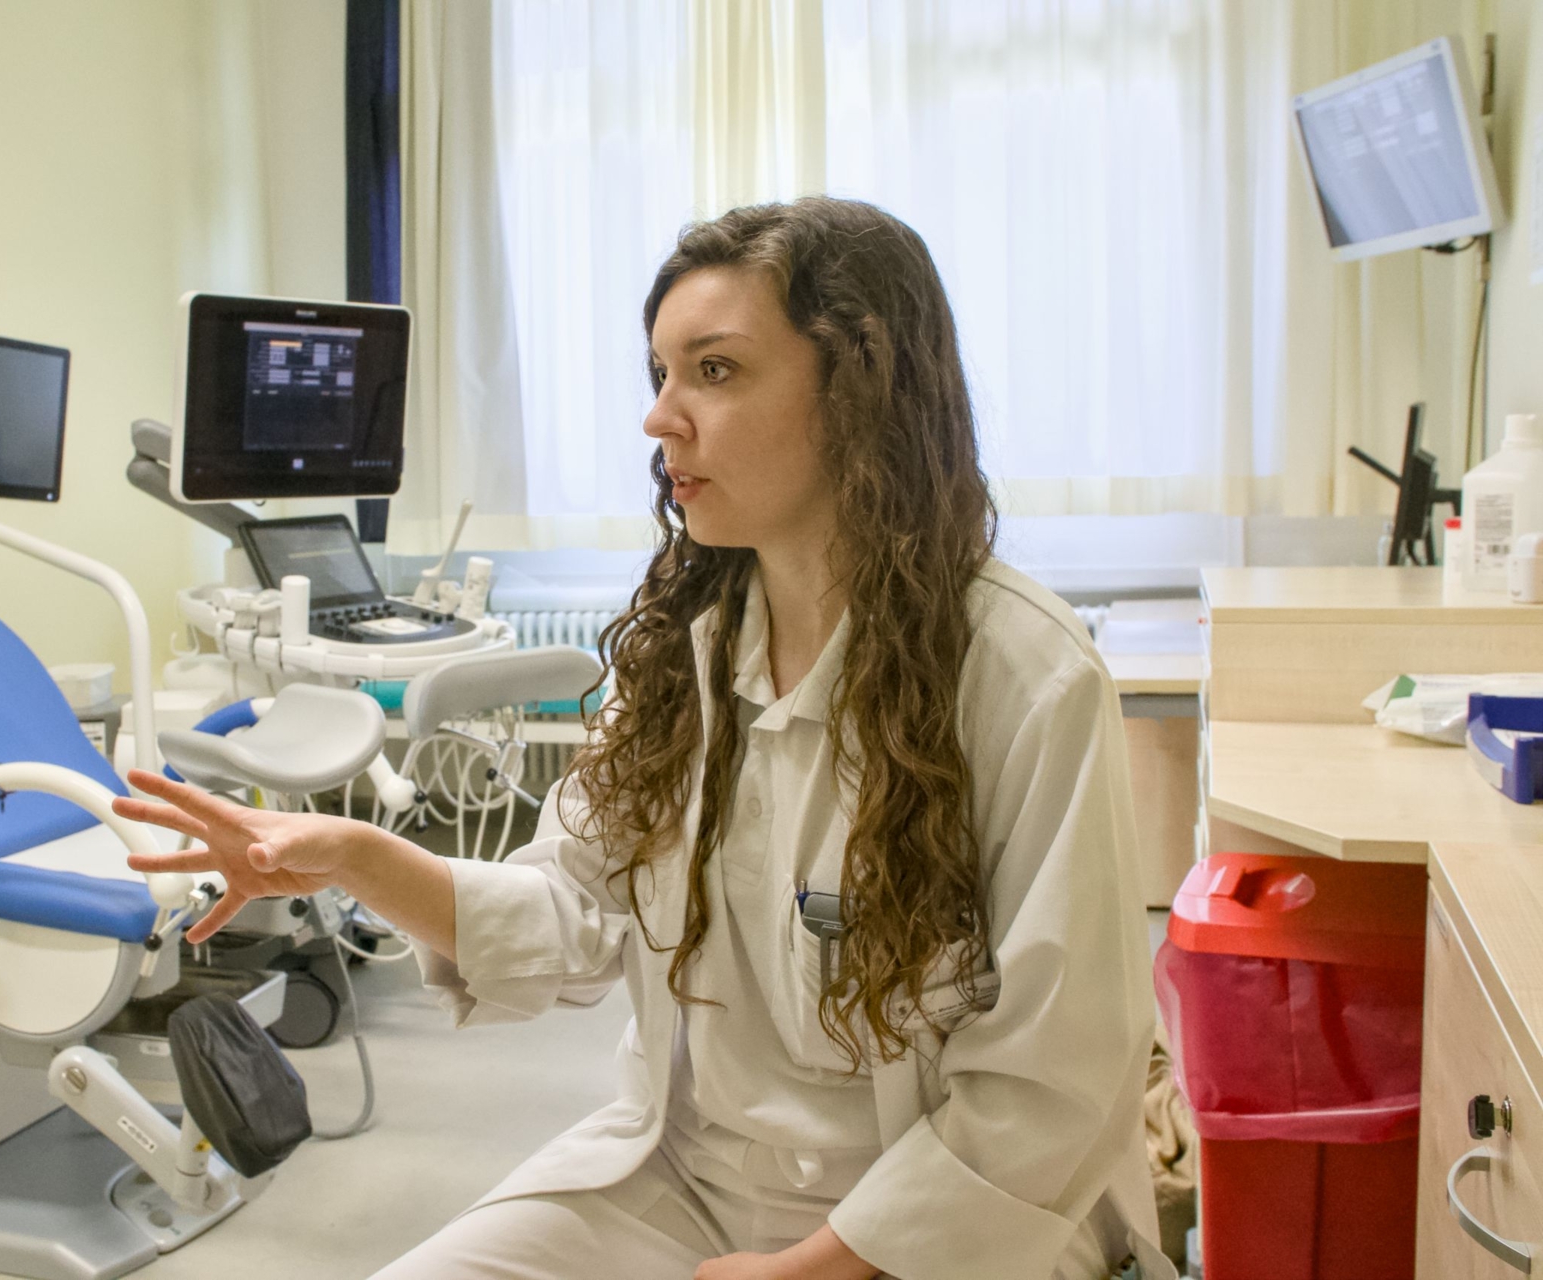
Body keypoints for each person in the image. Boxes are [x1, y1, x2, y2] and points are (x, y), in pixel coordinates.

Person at [117, 197, 1175, 1280]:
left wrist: (820, 1264)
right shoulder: (685, 652)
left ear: (860, 389)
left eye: (713, 371)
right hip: (682, 1180)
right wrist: (358, 856)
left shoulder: (1024, 675)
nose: (661, 416)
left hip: (936, 1223)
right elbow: (570, 909)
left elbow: (1058, 1074)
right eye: (660, 373)